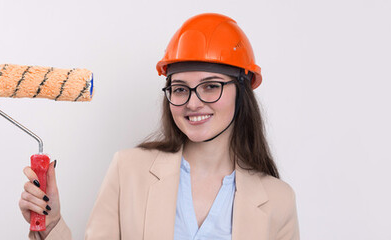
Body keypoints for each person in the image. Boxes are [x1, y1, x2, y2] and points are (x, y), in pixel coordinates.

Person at [18, 13, 300, 240]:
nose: (193, 103)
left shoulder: (278, 200)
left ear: (242, 91)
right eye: (180, 89)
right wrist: (52, 223)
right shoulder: (128, 170)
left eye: (211, 86)